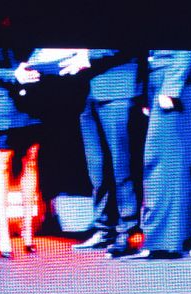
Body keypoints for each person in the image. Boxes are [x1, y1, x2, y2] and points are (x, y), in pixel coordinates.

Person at [66, 50, 142, 253]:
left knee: (122, 167)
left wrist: (89, 55)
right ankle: (104, 228)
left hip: (117, 88)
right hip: (87, 93)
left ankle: (128, 230)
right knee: (97, 169)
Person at [129, 52, 191, 260]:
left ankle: (164, 242)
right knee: (173, 162)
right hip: (162, 77)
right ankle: (178, 238)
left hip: (173, 78)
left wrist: (171, 87)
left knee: (164, 162)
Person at [0, 49, 46, 257]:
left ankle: (28, 230)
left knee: (31, 161)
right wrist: (13, 75)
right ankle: (3, 234)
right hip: (5, 103)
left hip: (34, 102)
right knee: (2, 163)